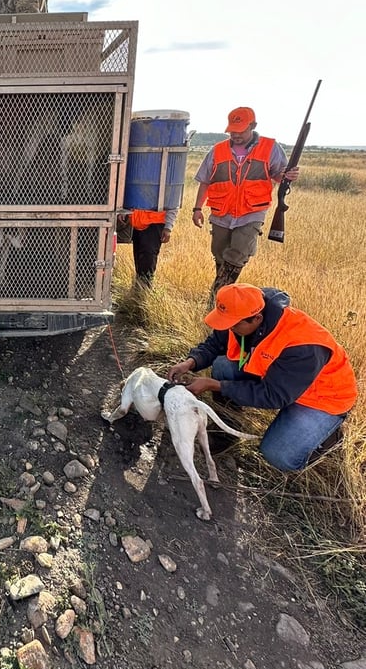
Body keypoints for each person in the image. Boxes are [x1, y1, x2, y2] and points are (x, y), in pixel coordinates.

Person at [167, 283, 357, 471]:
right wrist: (190, 362)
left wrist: (216, 385)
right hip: (280, 380)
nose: (228, 329)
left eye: (232, 325)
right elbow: (216, 342)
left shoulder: (303, 346)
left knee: (278, 456)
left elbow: (274, 396)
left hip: (322, 399)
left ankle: (330, 437)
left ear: (256, 319)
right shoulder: (241, 313)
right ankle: (226, 433)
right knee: (223, 367)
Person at [192, 107, 299, 299]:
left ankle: (217, 296)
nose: (236, 134)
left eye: (240, 130)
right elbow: (205, 180)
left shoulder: (270, 148)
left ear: (253, 126)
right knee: (220, 254)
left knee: (238, 254)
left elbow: (278, 175)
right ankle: (224, 294)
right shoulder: (217, 150)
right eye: (233, 130)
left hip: (251, 212)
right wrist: (197, 208)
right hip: (221, 212)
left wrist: (287, 175)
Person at [116, 208, 178, 286]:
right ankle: (139, 290)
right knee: (139, 259)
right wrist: (124, 212)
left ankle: (145, 290)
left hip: (155, 223)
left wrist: (168, 227)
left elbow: (173, 204)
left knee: (148, 258)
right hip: (136, 222)